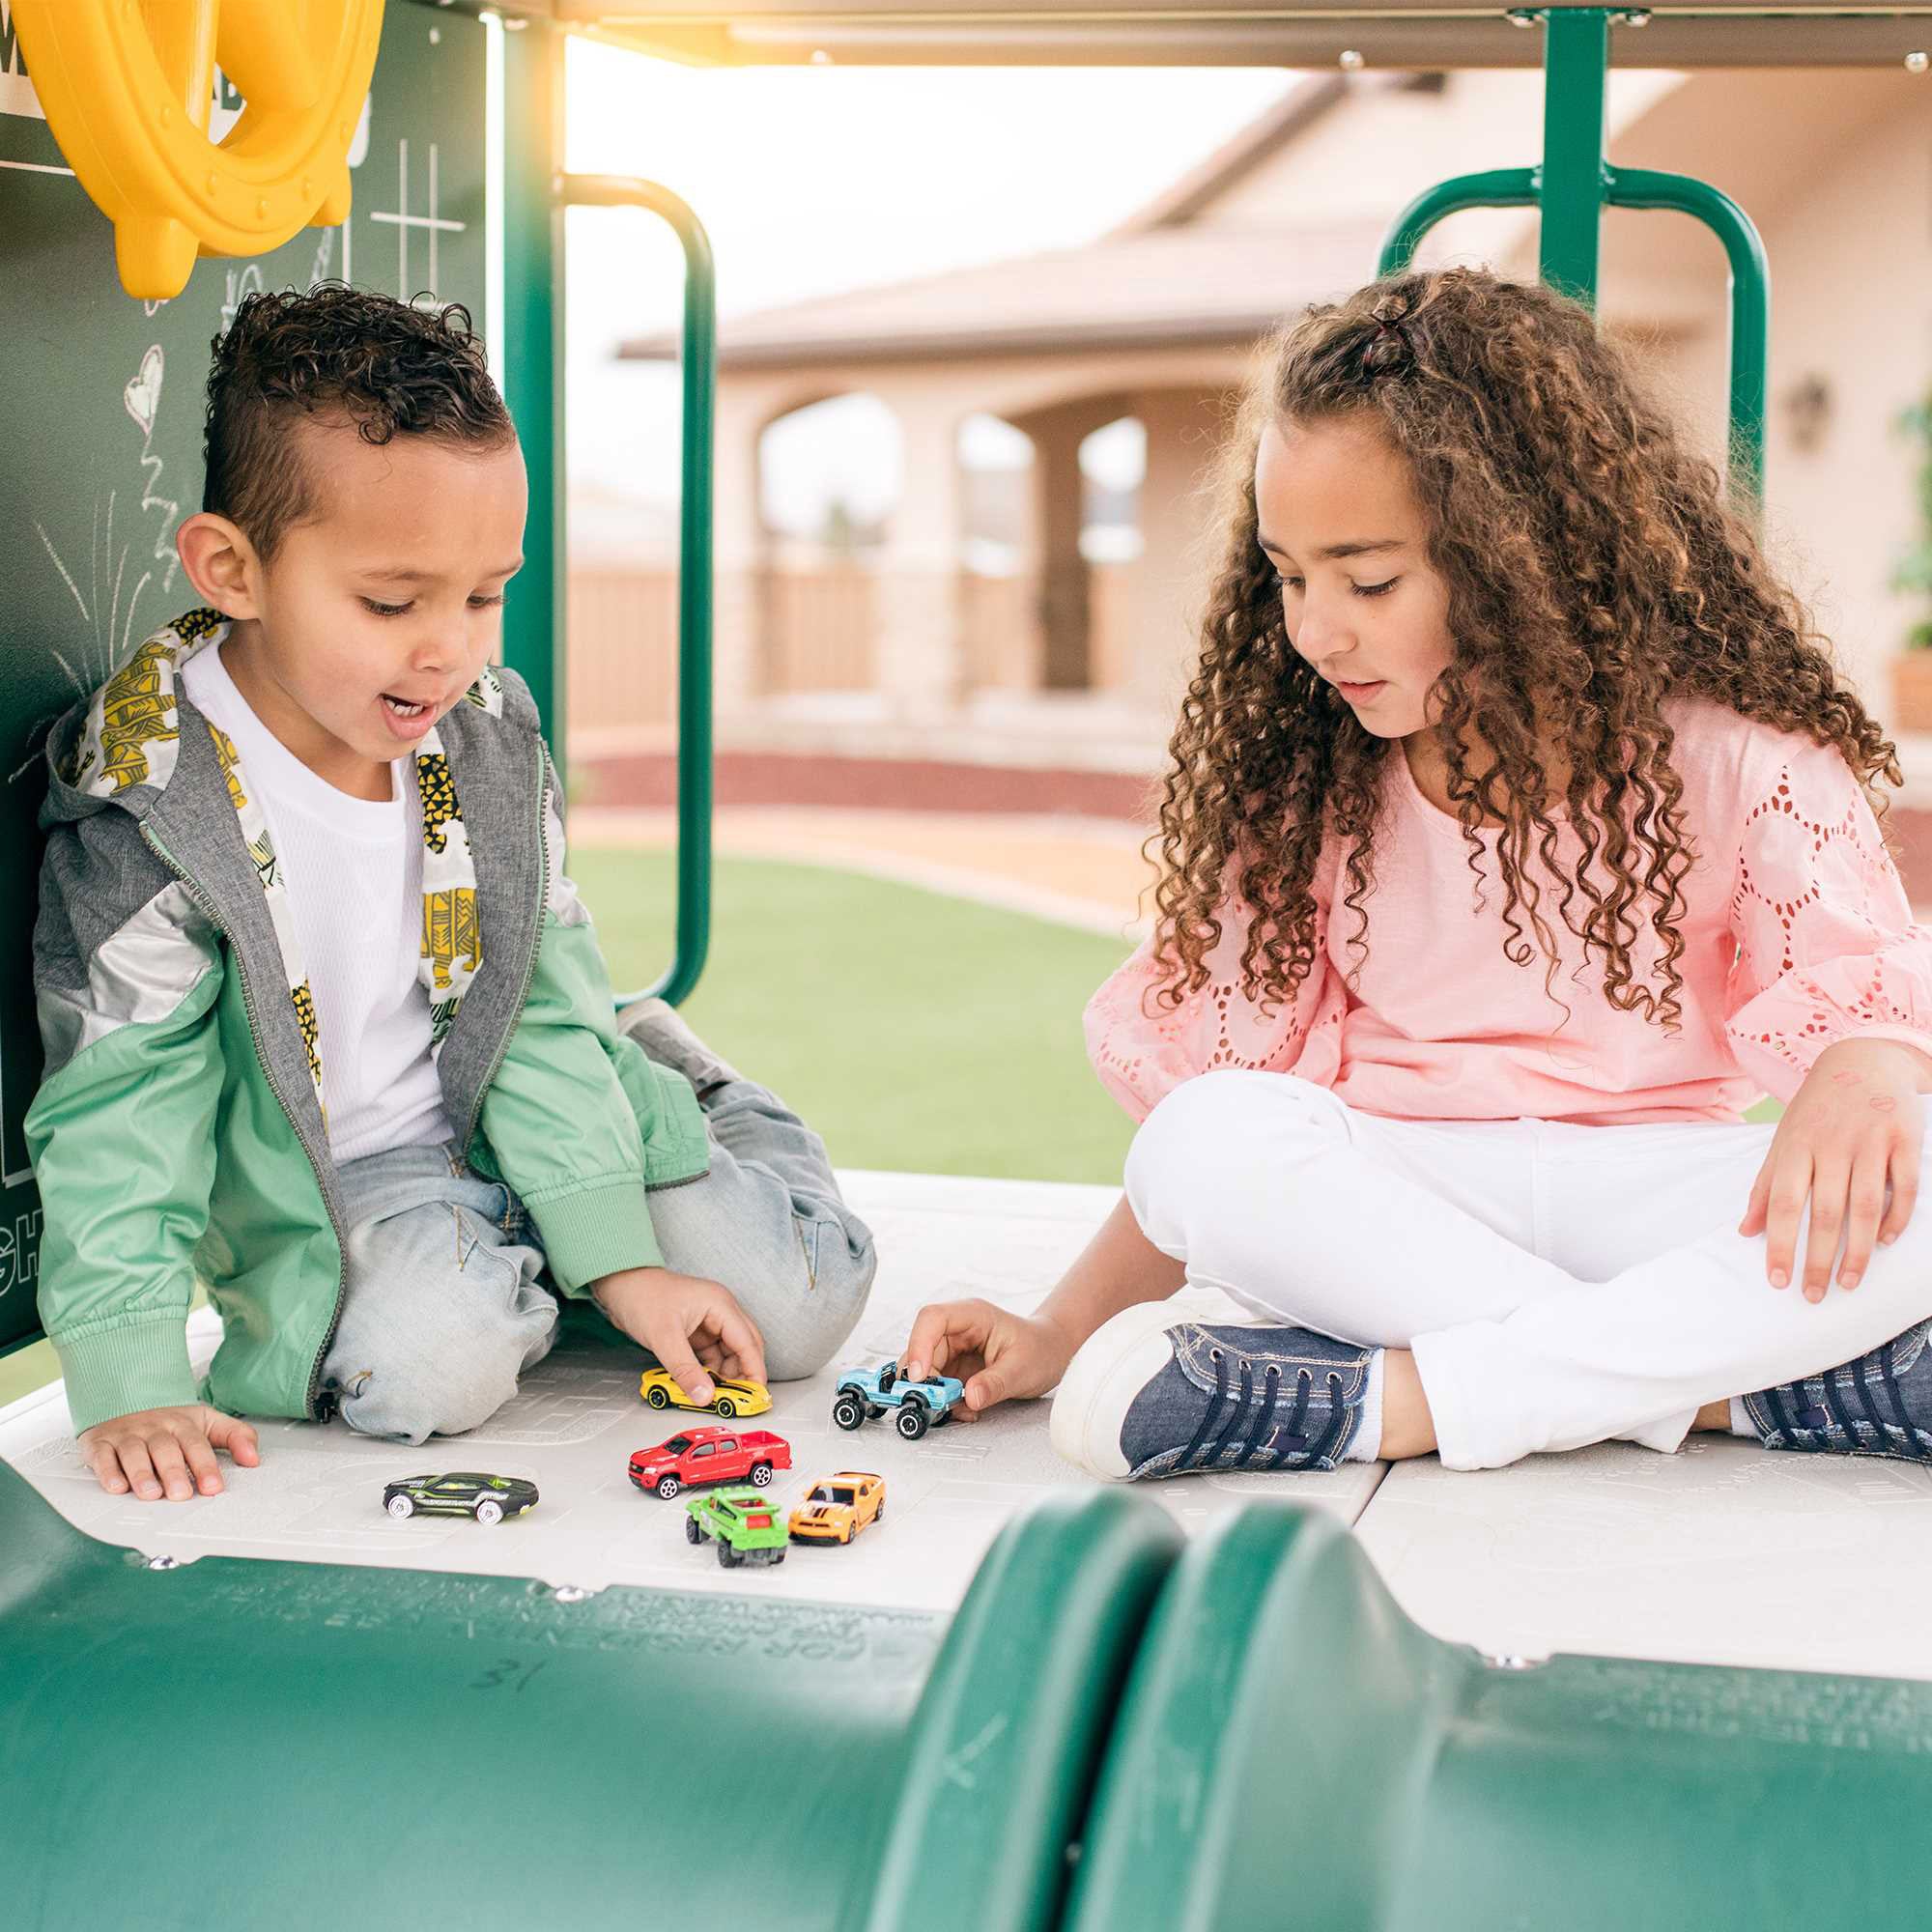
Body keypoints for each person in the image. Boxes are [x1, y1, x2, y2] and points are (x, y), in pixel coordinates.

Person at [899, 266, 1932, 1482]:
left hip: (1651, 1198)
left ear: (1522, 557)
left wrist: (1862, 1065)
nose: (1313, 629)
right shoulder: (1305, 780)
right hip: (1400, 1216)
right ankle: (1722, 1394)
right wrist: (1058, 1328)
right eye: (1288, 575)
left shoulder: (1739, 756)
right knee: (1196, 1137)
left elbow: (1868, 1011)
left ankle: (1390, 1399)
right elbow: (1204, 1142)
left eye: (1369, 579)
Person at [26, 284, 875, 1503]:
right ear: (233, 569)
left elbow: (531, 1007)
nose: (450, 650)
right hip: (358, 1181)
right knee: (428, 1369)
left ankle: (683, 1090)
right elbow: (121, 1108)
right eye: (391, 602)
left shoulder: (482, 738)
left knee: (801, 1308)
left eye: (484, 595)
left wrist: (619, 1257)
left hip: (546, 1090)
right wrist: (131, 1372)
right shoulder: (150, 809)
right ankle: (526, 1255)